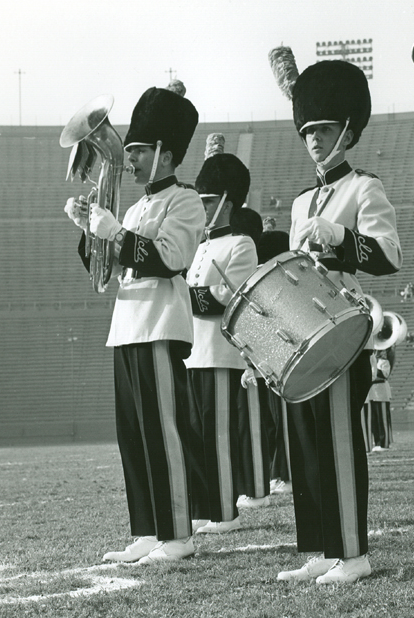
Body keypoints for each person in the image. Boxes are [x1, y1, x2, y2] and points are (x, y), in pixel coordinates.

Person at [268, 49, 402, 584]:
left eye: (323, 129)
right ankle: (322, 548)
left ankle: (352, 551)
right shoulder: (302, 201)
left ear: (347, 131)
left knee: (340, 437)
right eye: (307, 132)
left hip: (345, 328)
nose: (314, 140)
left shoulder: (364, 188)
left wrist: (342, 239)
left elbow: (390, 254)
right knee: (306, 439)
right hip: (301, 329)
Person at [64, 80, 204, 563]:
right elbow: (105, 271)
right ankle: (148, 528)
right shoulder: (139, 204)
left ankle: (178, 534)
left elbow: (170, 258)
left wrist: (115, 232)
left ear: (166, 154)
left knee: (164, 432)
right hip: (128, 325)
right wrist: (89, 230)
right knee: (134, 434)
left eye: (142, 150)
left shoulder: (185, 200)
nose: (132, 157)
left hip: (161, 324)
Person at [184, 133, 272, 536]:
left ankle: (224, 512)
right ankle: (208, 506)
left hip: (221, 353)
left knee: (218, 435)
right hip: (193, 353)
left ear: (225, 202)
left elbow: (226, 299)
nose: (201, 209)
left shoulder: (242, 245)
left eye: (207, 202)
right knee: (198, 435)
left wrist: (184, 297)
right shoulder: (199, 247)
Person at [256, 229, 293, 495]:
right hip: (268, 359)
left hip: (282, 359)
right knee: (273, 421)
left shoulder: (282, 283)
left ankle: (285, 474)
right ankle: (277, 472)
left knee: (283, 420)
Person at [368, 347, 395, 451]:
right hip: (372, 392)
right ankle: (377, 441)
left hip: (381, 391)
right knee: (374, 418)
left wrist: (374, 365)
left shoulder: (384, 362)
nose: (381, 353)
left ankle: (384, 443)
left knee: (382, 418)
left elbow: (384, 375)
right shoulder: (372, 361)